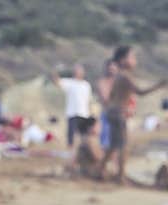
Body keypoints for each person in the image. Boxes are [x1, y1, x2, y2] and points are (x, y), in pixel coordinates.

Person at [96, 46, 168, 184]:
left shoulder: (118, 76)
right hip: (118, 113)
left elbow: (112, 96)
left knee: (113, 145)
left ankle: (100, 169)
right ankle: (120, 176)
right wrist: (159, 85)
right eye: (132, 57)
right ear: (123, 60)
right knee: (123, 145)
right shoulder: (125, 75)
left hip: (112, 111)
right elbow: (140, 92)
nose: (135, 61)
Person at [49, 64, 92, 148]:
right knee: (71, 136)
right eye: (77, 71)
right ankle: (70, 151)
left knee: (84, 136)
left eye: (80, 71)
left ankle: (83, 152)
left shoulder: (86, 85)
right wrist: (55, 71)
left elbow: (88, 100)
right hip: (72, 113)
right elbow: (57, 82)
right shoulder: (69, 82)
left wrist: (90, 113)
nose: (78, 72)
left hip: (84, 113)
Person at [96, 59, 118, 149]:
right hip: (107, 116)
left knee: (117, 145)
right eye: (110, 68)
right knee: (105, 144)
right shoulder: (102, 82)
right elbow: (105, 100)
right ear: (106, 69)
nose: (112, 70)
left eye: (114, 68)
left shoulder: (119, 81)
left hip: (118, 115)